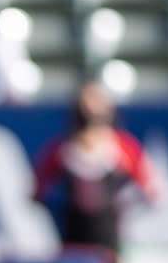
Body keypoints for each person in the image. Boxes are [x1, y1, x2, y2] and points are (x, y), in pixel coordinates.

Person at [32, 82, 159, 247]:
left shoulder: (124, 149)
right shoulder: (61, 151)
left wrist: (126, 212)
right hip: (72, 244)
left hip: (111, 244)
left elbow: (154, 192)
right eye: (85, 102)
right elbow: (36, 193)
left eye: (97, 100)